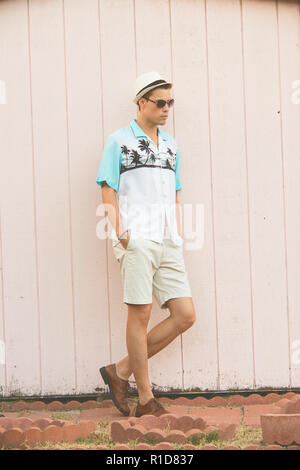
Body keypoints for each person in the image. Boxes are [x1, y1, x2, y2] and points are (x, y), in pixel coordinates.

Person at [96, 71, 196, 418]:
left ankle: (119, 371)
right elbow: (107, 188)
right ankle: (145, 399)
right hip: (136, 238)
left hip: (167, 239)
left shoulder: (171, 144)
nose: (167, 108)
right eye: (160, 102)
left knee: (184, 315)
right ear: (142, 103)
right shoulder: (119, 141)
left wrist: (178, 234)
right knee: (140, 315)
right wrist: (122, 233)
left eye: (171, 102)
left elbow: (174, 191)